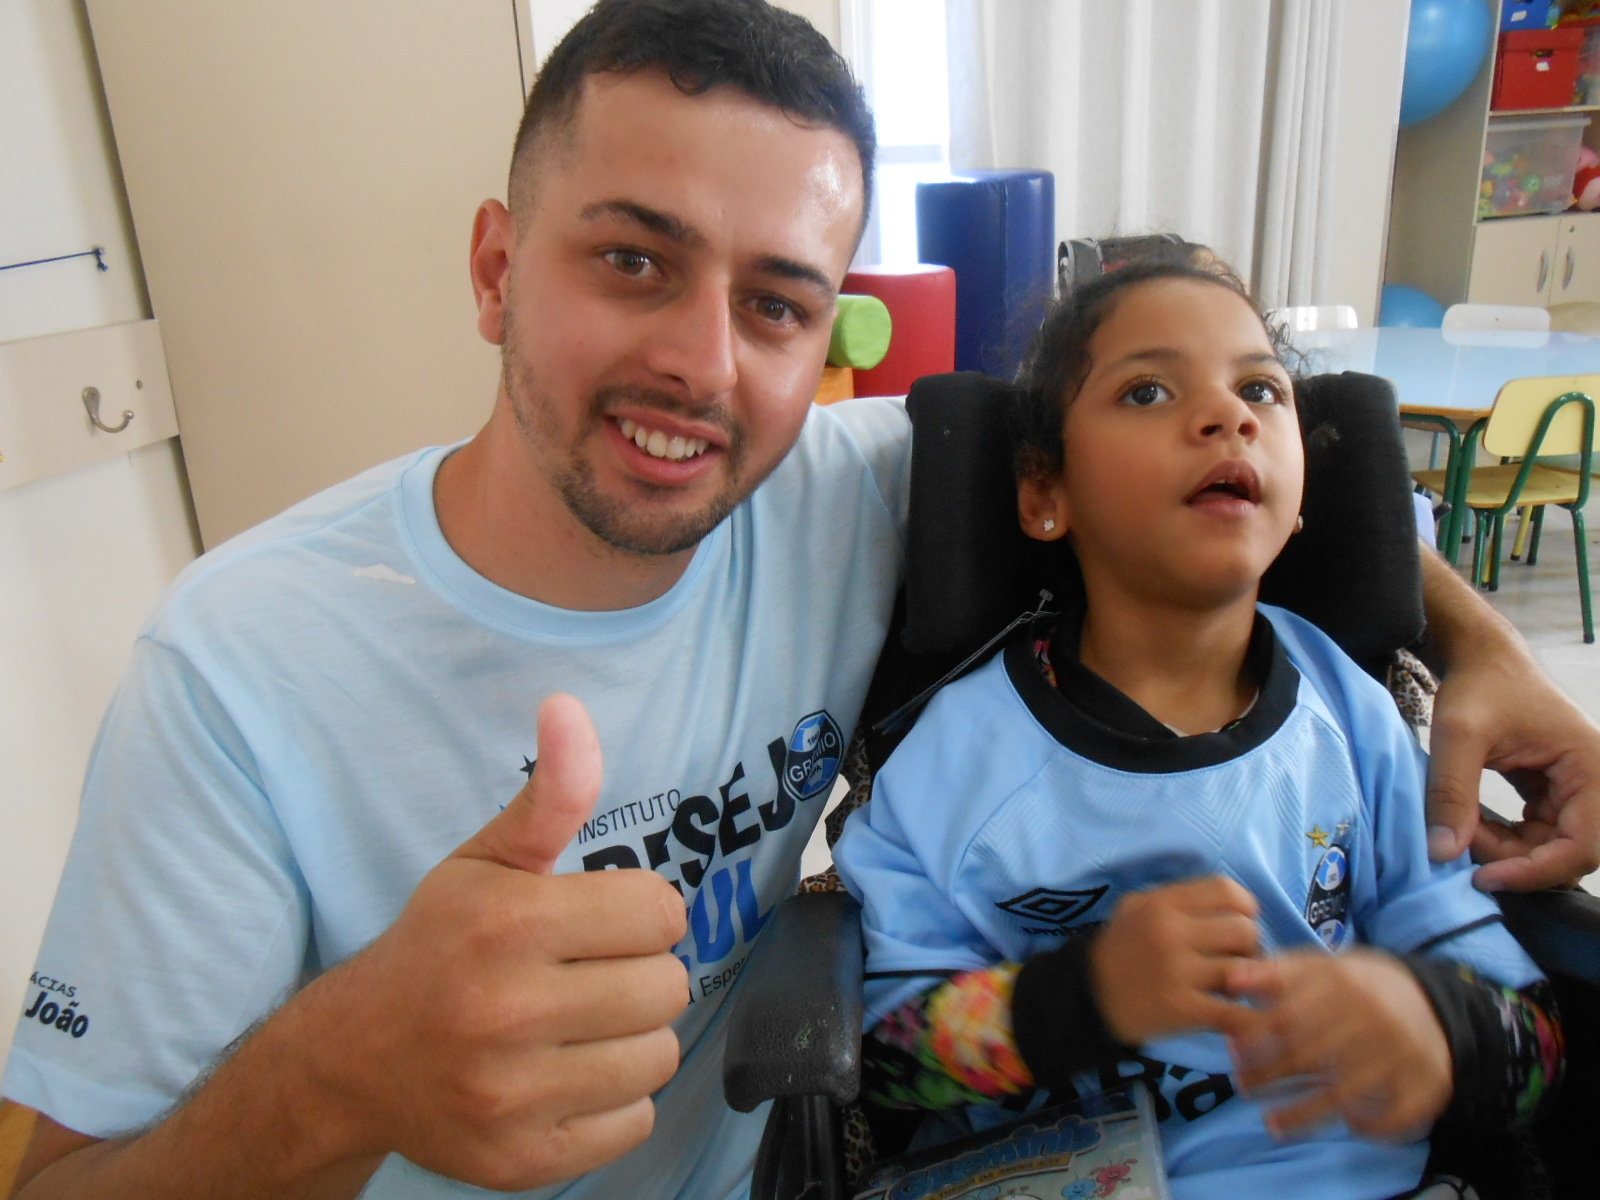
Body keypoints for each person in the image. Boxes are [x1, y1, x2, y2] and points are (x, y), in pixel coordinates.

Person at [1, 2, 1596, 1198]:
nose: (706, 364)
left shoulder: (840, 483)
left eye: (776, 302)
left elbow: (1210, 501)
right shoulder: (240, 669)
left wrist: (1464, 640)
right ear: (496, 268)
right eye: (632, 260)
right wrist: (345, 1074)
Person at [831, 256, 1565, 1200]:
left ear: (1301, 499)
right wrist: (1082, 999)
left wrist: (1440, 1025)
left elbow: (1537, 1038)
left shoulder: (1354, 720)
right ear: (1043, 491)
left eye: (1262, 386)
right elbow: (881, 1068)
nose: (1231, 415)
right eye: (1148, 390)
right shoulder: (957, 763)